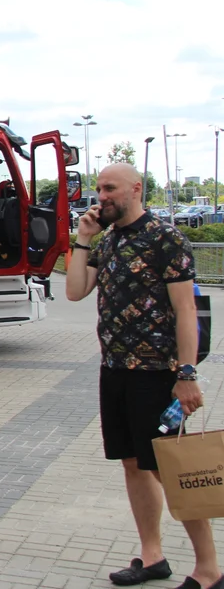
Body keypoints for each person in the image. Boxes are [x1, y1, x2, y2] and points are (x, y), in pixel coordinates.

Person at [66, 163, 220, 589]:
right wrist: (82, 239)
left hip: (157, 374)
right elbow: (75, 290)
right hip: (114, 370)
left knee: (171, 469)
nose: (102, 196)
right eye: (99, 188)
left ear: (136, 189)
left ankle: (209, 569)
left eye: (110, 188)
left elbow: (186, 309)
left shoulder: (165, 238)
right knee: (133, 464)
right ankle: (152, 556)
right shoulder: (109, 240)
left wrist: (186, 374)